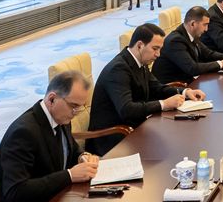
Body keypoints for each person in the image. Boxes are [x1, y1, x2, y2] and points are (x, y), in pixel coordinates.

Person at [0, 71, 100, 202]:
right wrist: (69, 175)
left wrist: (83, 156)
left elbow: (70, 148)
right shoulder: (23, 133)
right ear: (52, 99)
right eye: (73, 106)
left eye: (79, 107)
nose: (76, 113)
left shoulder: (61, 117)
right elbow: (15, 191)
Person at [87, 23, 206, 156]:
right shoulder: (118, 69)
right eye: (155, 49)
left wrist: (185, 92)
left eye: (160, 49)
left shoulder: (140, 62)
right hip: (113, 138)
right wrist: (164, 104)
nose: (158, 54)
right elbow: (127, 109)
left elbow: (156, 88)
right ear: (139, 45)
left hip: (135, 128)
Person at [151, 6, 223, 85]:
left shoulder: (192, 34)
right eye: (205, 25)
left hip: (188, 82)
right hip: (172, 88)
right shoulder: (175, 41)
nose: (206, 29)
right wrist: (221, 64)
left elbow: (208, 54)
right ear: (193, 24)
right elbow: (192, 68)